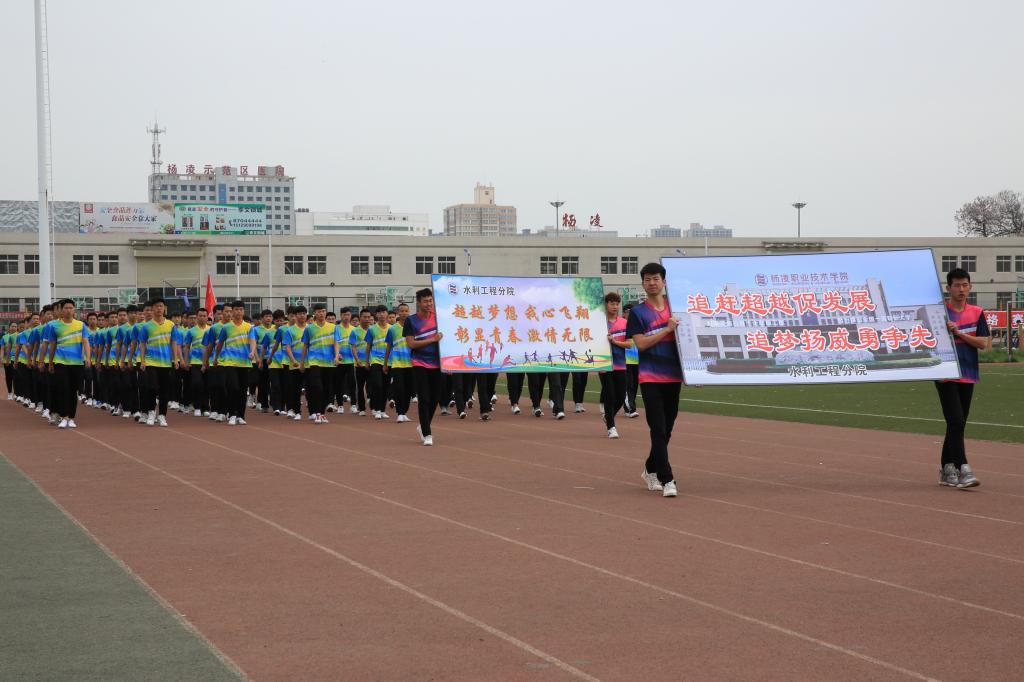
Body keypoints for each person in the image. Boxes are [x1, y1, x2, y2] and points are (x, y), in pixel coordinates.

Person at [626, 262, 682, 498]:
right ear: (643, 284)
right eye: (647, 279)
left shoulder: (676, 308)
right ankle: (667, 479)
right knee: (657, 428)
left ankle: (650, 468)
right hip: (650, 377)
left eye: (655, 278)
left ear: (664, 281)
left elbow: (688, 342)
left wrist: (695, 373)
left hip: (674, 376)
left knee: (667, 430)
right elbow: (641, 344)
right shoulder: (638, 313)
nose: (652, 283)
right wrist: (666, 329)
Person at [936, 268, 990, 488]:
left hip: (968, 372)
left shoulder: (977, 312)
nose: (961, 289)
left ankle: (946, 467)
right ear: (948, 288)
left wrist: (959, 333)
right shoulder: (940, 312)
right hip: (945, 373)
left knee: (958, 423)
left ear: (970, 287)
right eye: (957, 285)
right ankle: (963, 469)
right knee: (956, 420)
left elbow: (983, 343)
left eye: (965, 285)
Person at [43, 299, 91, 429]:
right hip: (60, 362)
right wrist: (50, 362)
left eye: (71, 308)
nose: (69, 310)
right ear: (62, 310)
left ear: (74, 310)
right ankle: (64, 417)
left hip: (77, 363)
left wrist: (87, 357)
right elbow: (52, 345)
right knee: (63, 389)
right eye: (66, 308)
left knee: (73, 391)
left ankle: (71, 418)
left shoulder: (81, 325)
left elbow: (86, 342)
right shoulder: (54, 326)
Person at [404, 289, 443, 445]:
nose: (429, 304)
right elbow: (411, 344)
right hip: (419, 362)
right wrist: (432, 340)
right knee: (424, 398)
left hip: (438, 363)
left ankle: (423, 426)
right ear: (419, 302)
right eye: (425, 301)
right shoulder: (411, 321)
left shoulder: (439, 318)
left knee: (435, 398)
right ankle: (427, 433)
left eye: (430, 300)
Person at [137, 298, 179, 427]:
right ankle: (151, 412)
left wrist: (175, 359)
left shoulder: (171, 325)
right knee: (152, 387)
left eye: (161, 306)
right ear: (153, 309)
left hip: (166, 362)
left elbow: (174, 342)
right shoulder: (146, 326)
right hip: (151, 362)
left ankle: (162, 415)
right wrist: (142, 360)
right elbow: (142, 344)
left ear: (164, 308)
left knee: (164, 390)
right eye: (156, 306)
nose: (159, 309)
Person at [213, 301, 256, 425]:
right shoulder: (226, 327)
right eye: (236, 309)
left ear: (244, 311)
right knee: (233, 387)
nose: (238, 312)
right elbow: (220, 343)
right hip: (230, 362)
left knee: (242, 390)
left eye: (241, 309)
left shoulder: (249, 327)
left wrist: (252, 352)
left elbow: (252, 341)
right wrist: (216, 358)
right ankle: (232, 414)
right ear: (232, 311)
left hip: (244, 362)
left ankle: (240, 415)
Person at [299, 303, 340, 424]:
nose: (321, 314)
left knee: (327, 389)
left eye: (323, 311)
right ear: (314, 314)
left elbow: (336, 343)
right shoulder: (309, 328)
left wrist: (337, 356)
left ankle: (322, 413)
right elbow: (305, 346)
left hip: (329, 362)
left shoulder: (333, 327)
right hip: (314, 362)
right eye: (318, 312)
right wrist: (302, 363)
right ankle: (317, 413)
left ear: (325, 312)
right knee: (317, 387)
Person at [601, 292, 631, 439]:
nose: (615, 306)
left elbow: (629, 344)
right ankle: (611, 427)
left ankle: (609, 416)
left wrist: (615, 342)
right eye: (612, 303)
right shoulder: (599, 323)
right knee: (609, 395)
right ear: (606, 305)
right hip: (605, 365)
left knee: (620, 396)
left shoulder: (624, 323)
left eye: (617, 304)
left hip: (621, 364)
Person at [384, 302, 413, 423]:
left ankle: (404, 412)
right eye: (402, 311)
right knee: (399, 388)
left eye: (406, 311)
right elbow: (388, 347)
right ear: (398, 313)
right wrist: (385, 363)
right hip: (397, 363)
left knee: (409, 390)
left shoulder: (413, 327)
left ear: (409, 312)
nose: (404, 313)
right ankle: (400, 412)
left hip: (411, 364)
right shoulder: (392, 329)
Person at [364, 305, 391, 419]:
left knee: (385, 386)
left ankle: (383, 410)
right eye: (379, 312)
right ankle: (377, 409)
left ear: (387, 313)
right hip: (375, 361)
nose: (381, 314)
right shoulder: (371, 329)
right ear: (376, 315)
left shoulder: (392, 328)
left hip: (389, 361)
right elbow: (368, 346)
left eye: (383, 312)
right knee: (378, 385)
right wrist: (366, 361)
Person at [183, 308, 210, 416]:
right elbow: (187, 347)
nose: (202, 318)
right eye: (200, 316)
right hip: (195, 362)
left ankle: (205, 408)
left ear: (207, 317)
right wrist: (186, 361)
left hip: (208, 362)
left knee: (207, 385)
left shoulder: (211, 329)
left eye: (204, 316)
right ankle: (197, 407)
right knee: (197, 384)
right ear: (197, 317)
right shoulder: (191, 331)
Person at [350, 308, 373, 415]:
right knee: (359, 386)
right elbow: (353, 347)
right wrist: (357, 360)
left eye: (369, 317)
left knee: (373, 385)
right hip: (359, 363)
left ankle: (373, 407)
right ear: (360, 318)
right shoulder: (355, 331)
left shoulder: (373, 330)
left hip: (372, 362)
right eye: (364, 317)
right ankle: (362, 409)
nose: (367, 319)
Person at [622, 303, 640, 418]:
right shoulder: (621, 325)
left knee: (635, 385)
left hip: (637, 360)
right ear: (624, 313)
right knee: (628, 384)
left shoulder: (638, 324)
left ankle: (629, 406)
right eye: (628, 312)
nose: (631, 314)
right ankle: (630, 409)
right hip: (625, 360)